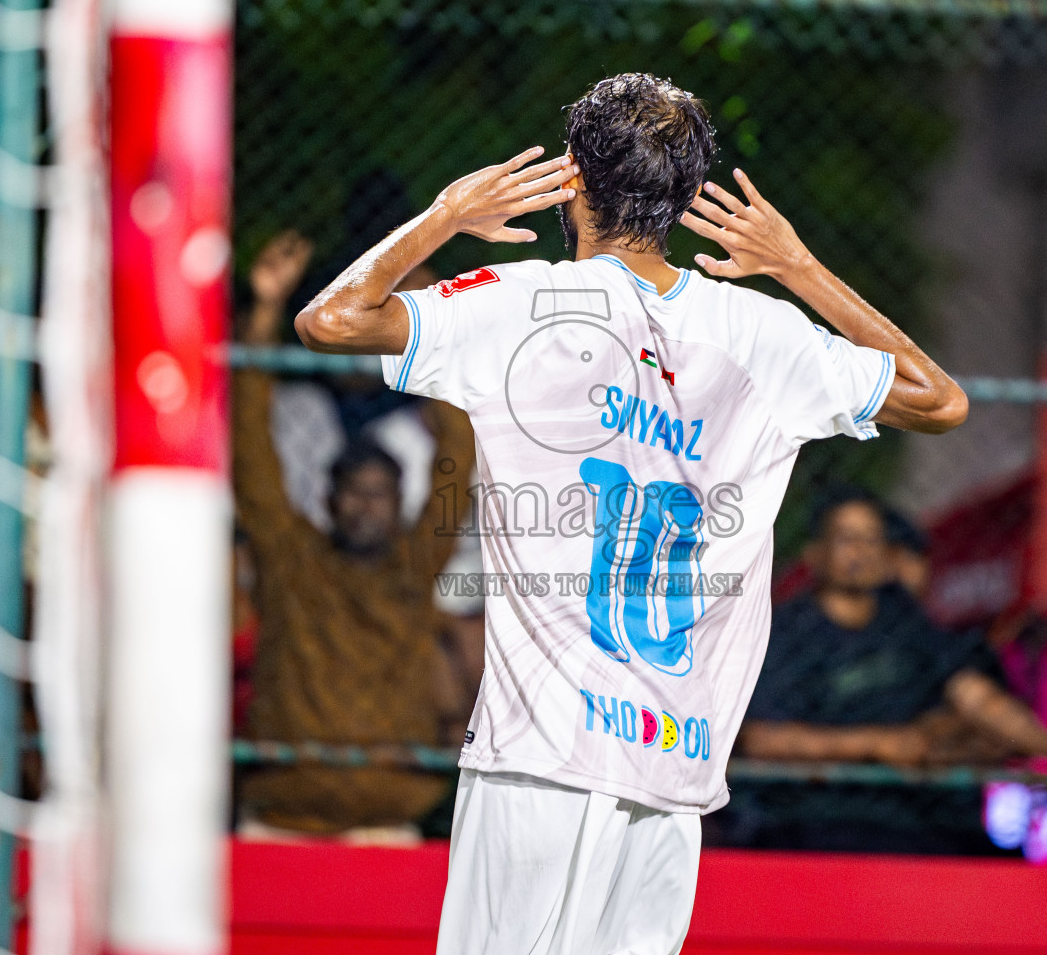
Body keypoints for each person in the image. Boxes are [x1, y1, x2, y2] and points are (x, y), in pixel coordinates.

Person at [293, 71, 966, 953]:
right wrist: (798, 268)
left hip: (540, 761)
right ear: (688, 197)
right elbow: (939, 397)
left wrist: (448, 213)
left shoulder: (519, 303)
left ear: (572, 179)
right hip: (672, 771)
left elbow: (332, 320)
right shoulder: (762, 333)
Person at [729, 487, 1047, 854]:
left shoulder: (904, 618)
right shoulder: (784, 630)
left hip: (914, 822)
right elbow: (761, 739)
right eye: (847, 538)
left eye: (872, 539)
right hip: (818, 825)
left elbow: (977, 699)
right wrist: (878, 745)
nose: (862, 551)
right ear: (815, 554)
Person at [232, 231, 475, 837]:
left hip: (387, 815)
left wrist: (431, 319)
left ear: (400, 505)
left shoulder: (415, 564)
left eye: (380, 493)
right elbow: (253, 455)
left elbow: (456, 455)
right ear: (329, 500)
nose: (365, 505)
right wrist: (265, 313)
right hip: (284, 807)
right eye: (353, 491)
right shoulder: (293, 558)